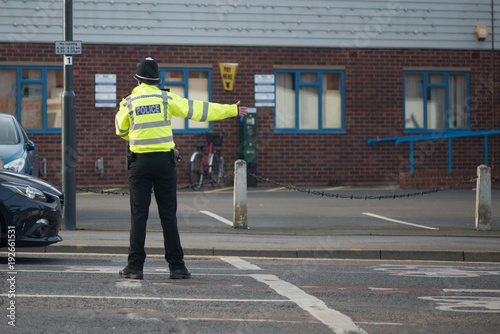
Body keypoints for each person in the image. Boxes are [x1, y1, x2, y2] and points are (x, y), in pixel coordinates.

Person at [115, 57, 248, 279]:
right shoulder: (167, 99)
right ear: (157, 81)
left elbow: (120, 129)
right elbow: (199, 110)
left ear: (137, 80)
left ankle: (135, 267)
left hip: (140, 163)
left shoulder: (129, 102)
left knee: (139, 216)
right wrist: (231, 110)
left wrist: (136, 138)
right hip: (165, 163)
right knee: (169, 216)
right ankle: (177, 267)